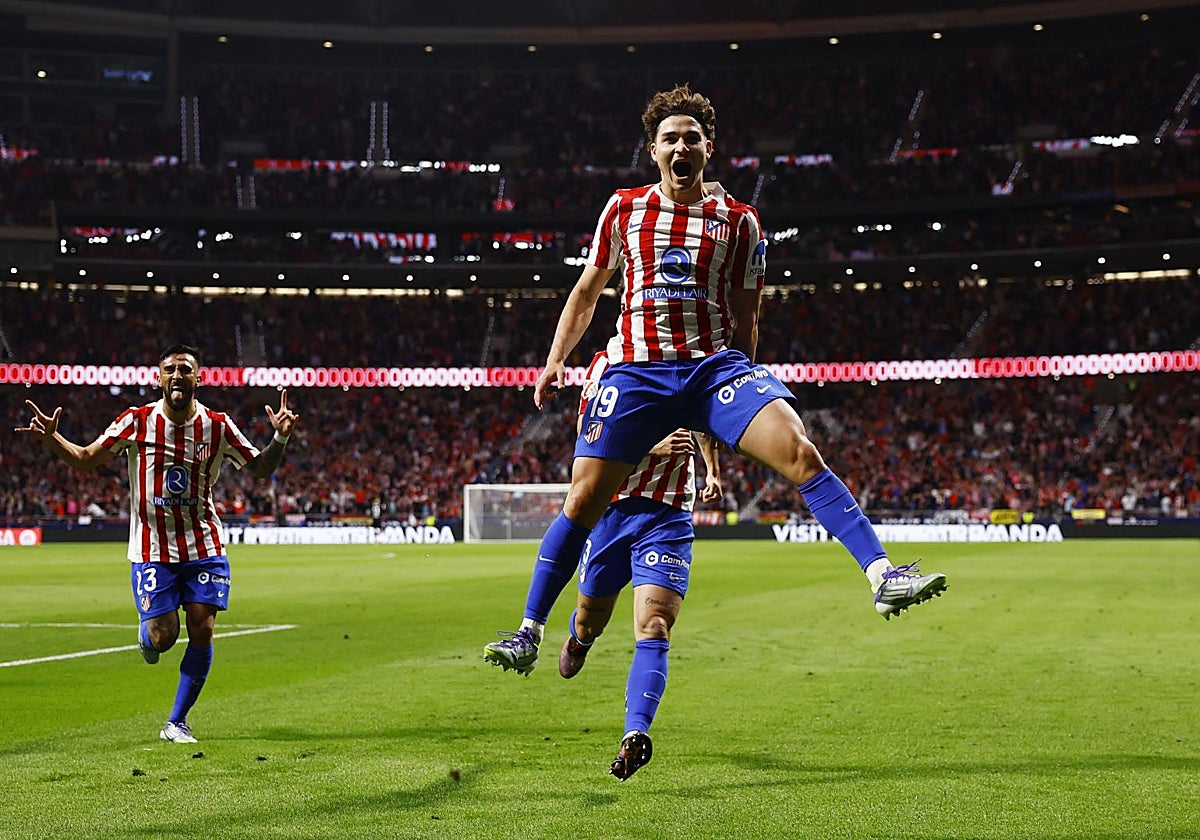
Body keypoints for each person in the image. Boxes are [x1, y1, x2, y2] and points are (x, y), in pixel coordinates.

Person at [484, 82, 948, 761]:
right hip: (636, 371)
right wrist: (555, 360)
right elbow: (588, 291)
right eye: (669, 138)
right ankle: (528, 630)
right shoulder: (623, 211)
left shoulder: (741, 222)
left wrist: (746, 391)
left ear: (709, 148)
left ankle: (882, 578)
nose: (680, 147)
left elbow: (748, 310)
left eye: (691, 138)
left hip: (710, 369)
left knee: (801, 453)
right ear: (652, 150)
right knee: (583, 499)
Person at [14, 344, 298, 744]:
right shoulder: (137, 420)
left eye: (186, 369)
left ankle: (176, 722)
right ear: (159, 377)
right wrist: (52, 439)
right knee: (163, 637)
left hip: (203, 544)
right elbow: (85, 458)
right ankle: (147, 634)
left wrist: (281, 439)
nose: (178, 375)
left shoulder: (217, 426)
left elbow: (261, 467)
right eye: (170, 369)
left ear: (198, 379)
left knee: (202, 628)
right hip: (152, 549)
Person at [485, 350, 722, 780]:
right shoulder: (606, 366)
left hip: (667, 515)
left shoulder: (700, 360)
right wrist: (652, 446)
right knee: (592, 617)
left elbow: (704, 424)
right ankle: (580, 637)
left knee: (655, 626)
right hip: (611, 510)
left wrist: (712, 471)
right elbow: (587, 431)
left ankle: (636, 734)